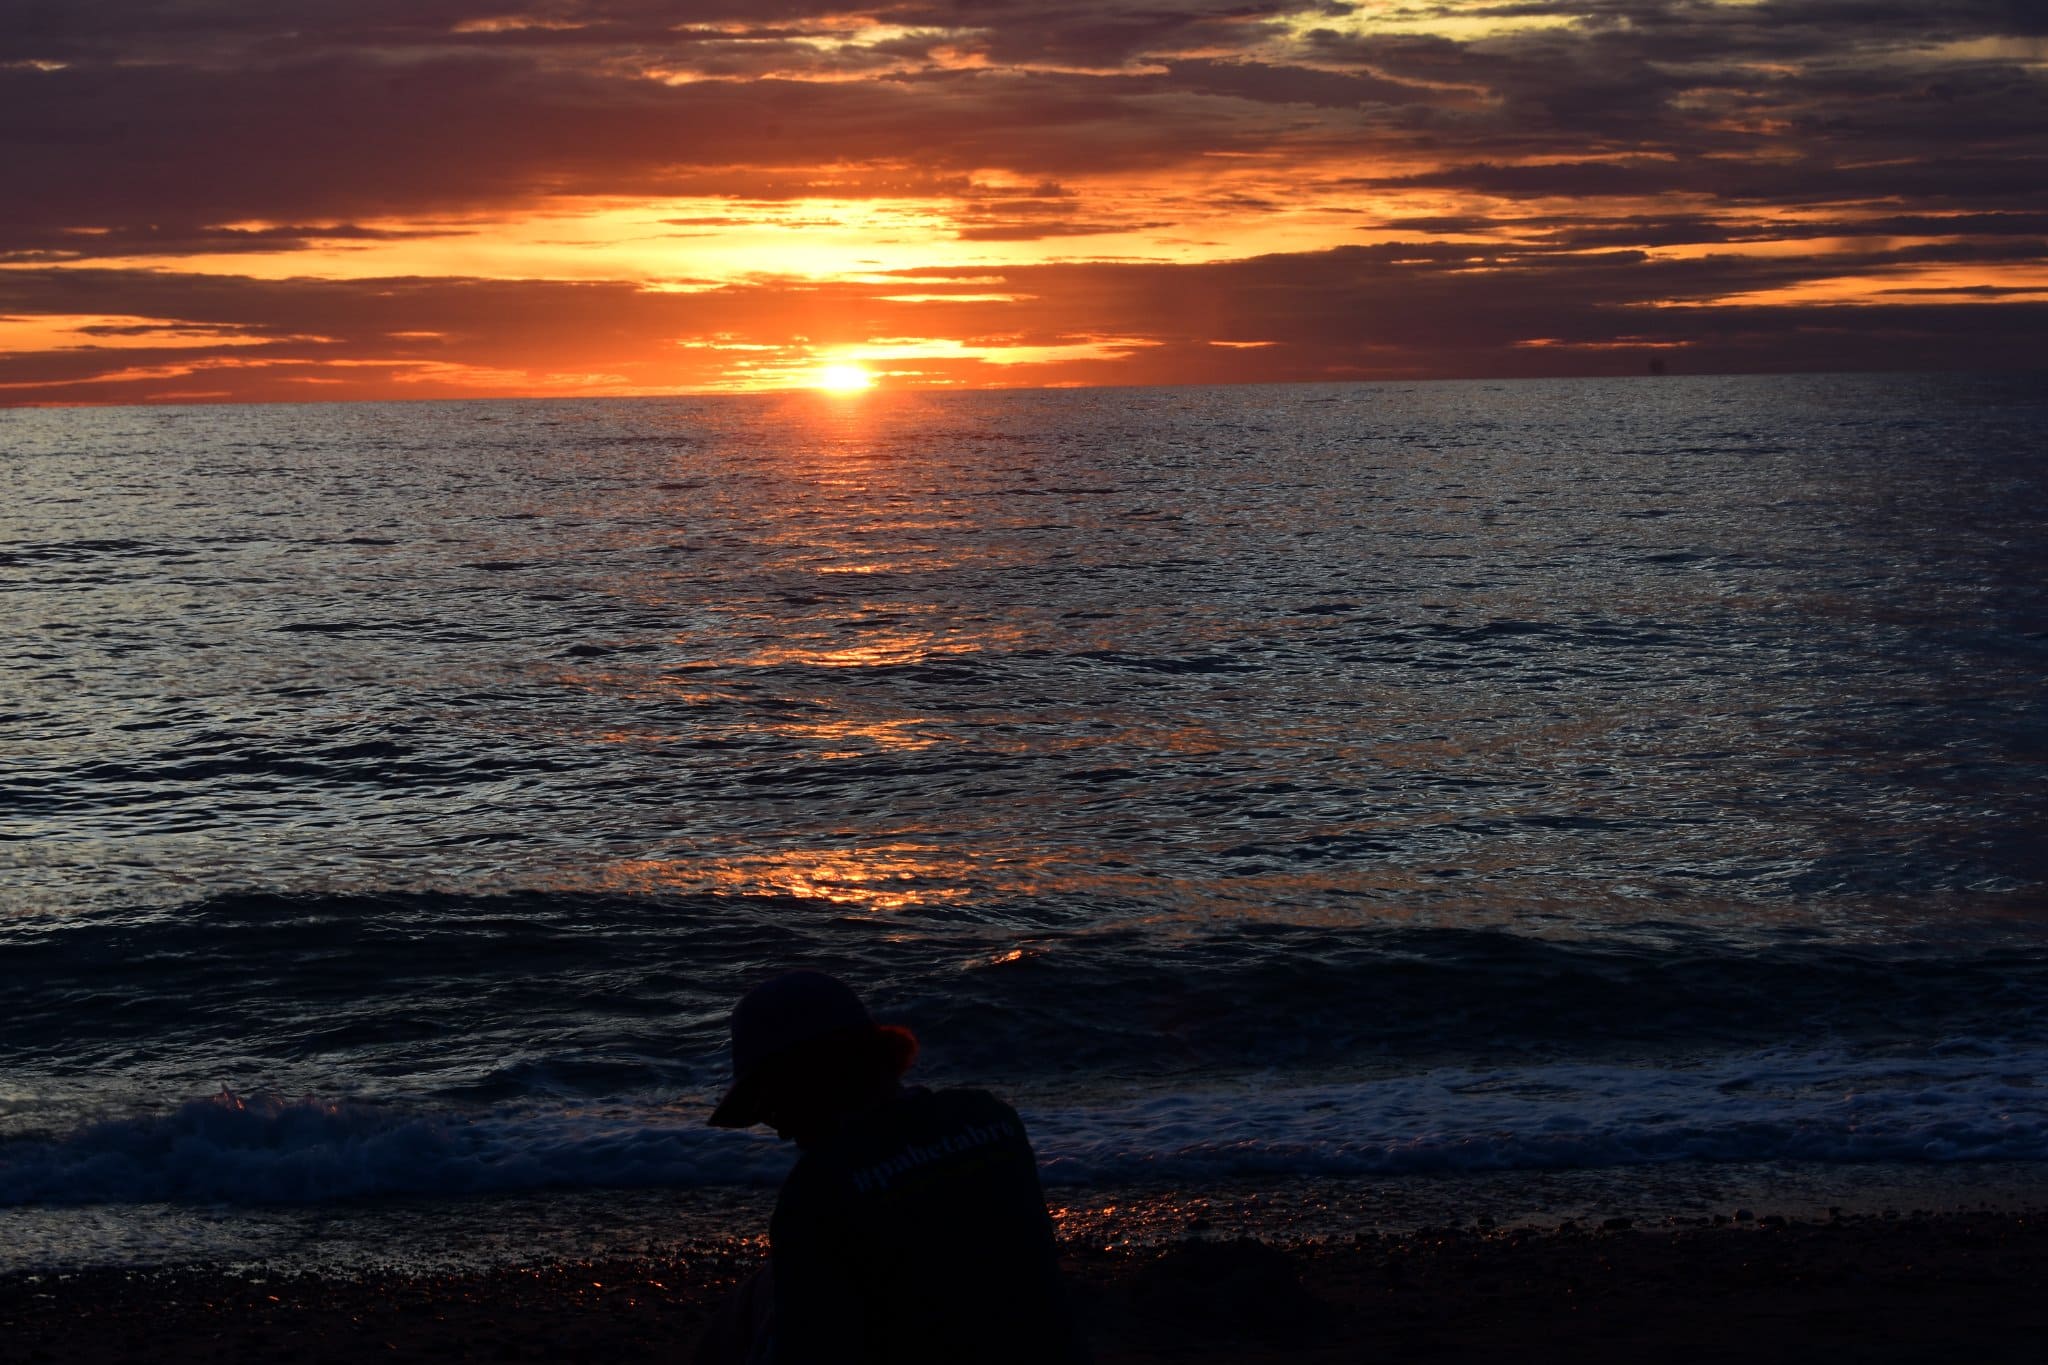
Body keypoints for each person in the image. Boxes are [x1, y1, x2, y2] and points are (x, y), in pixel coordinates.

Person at [692, 970, 1091, 1365]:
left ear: (808, 1081)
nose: (778, 1129)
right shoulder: (992, 1122)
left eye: (771, 1103)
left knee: (751, 1308)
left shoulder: (819, 1191)